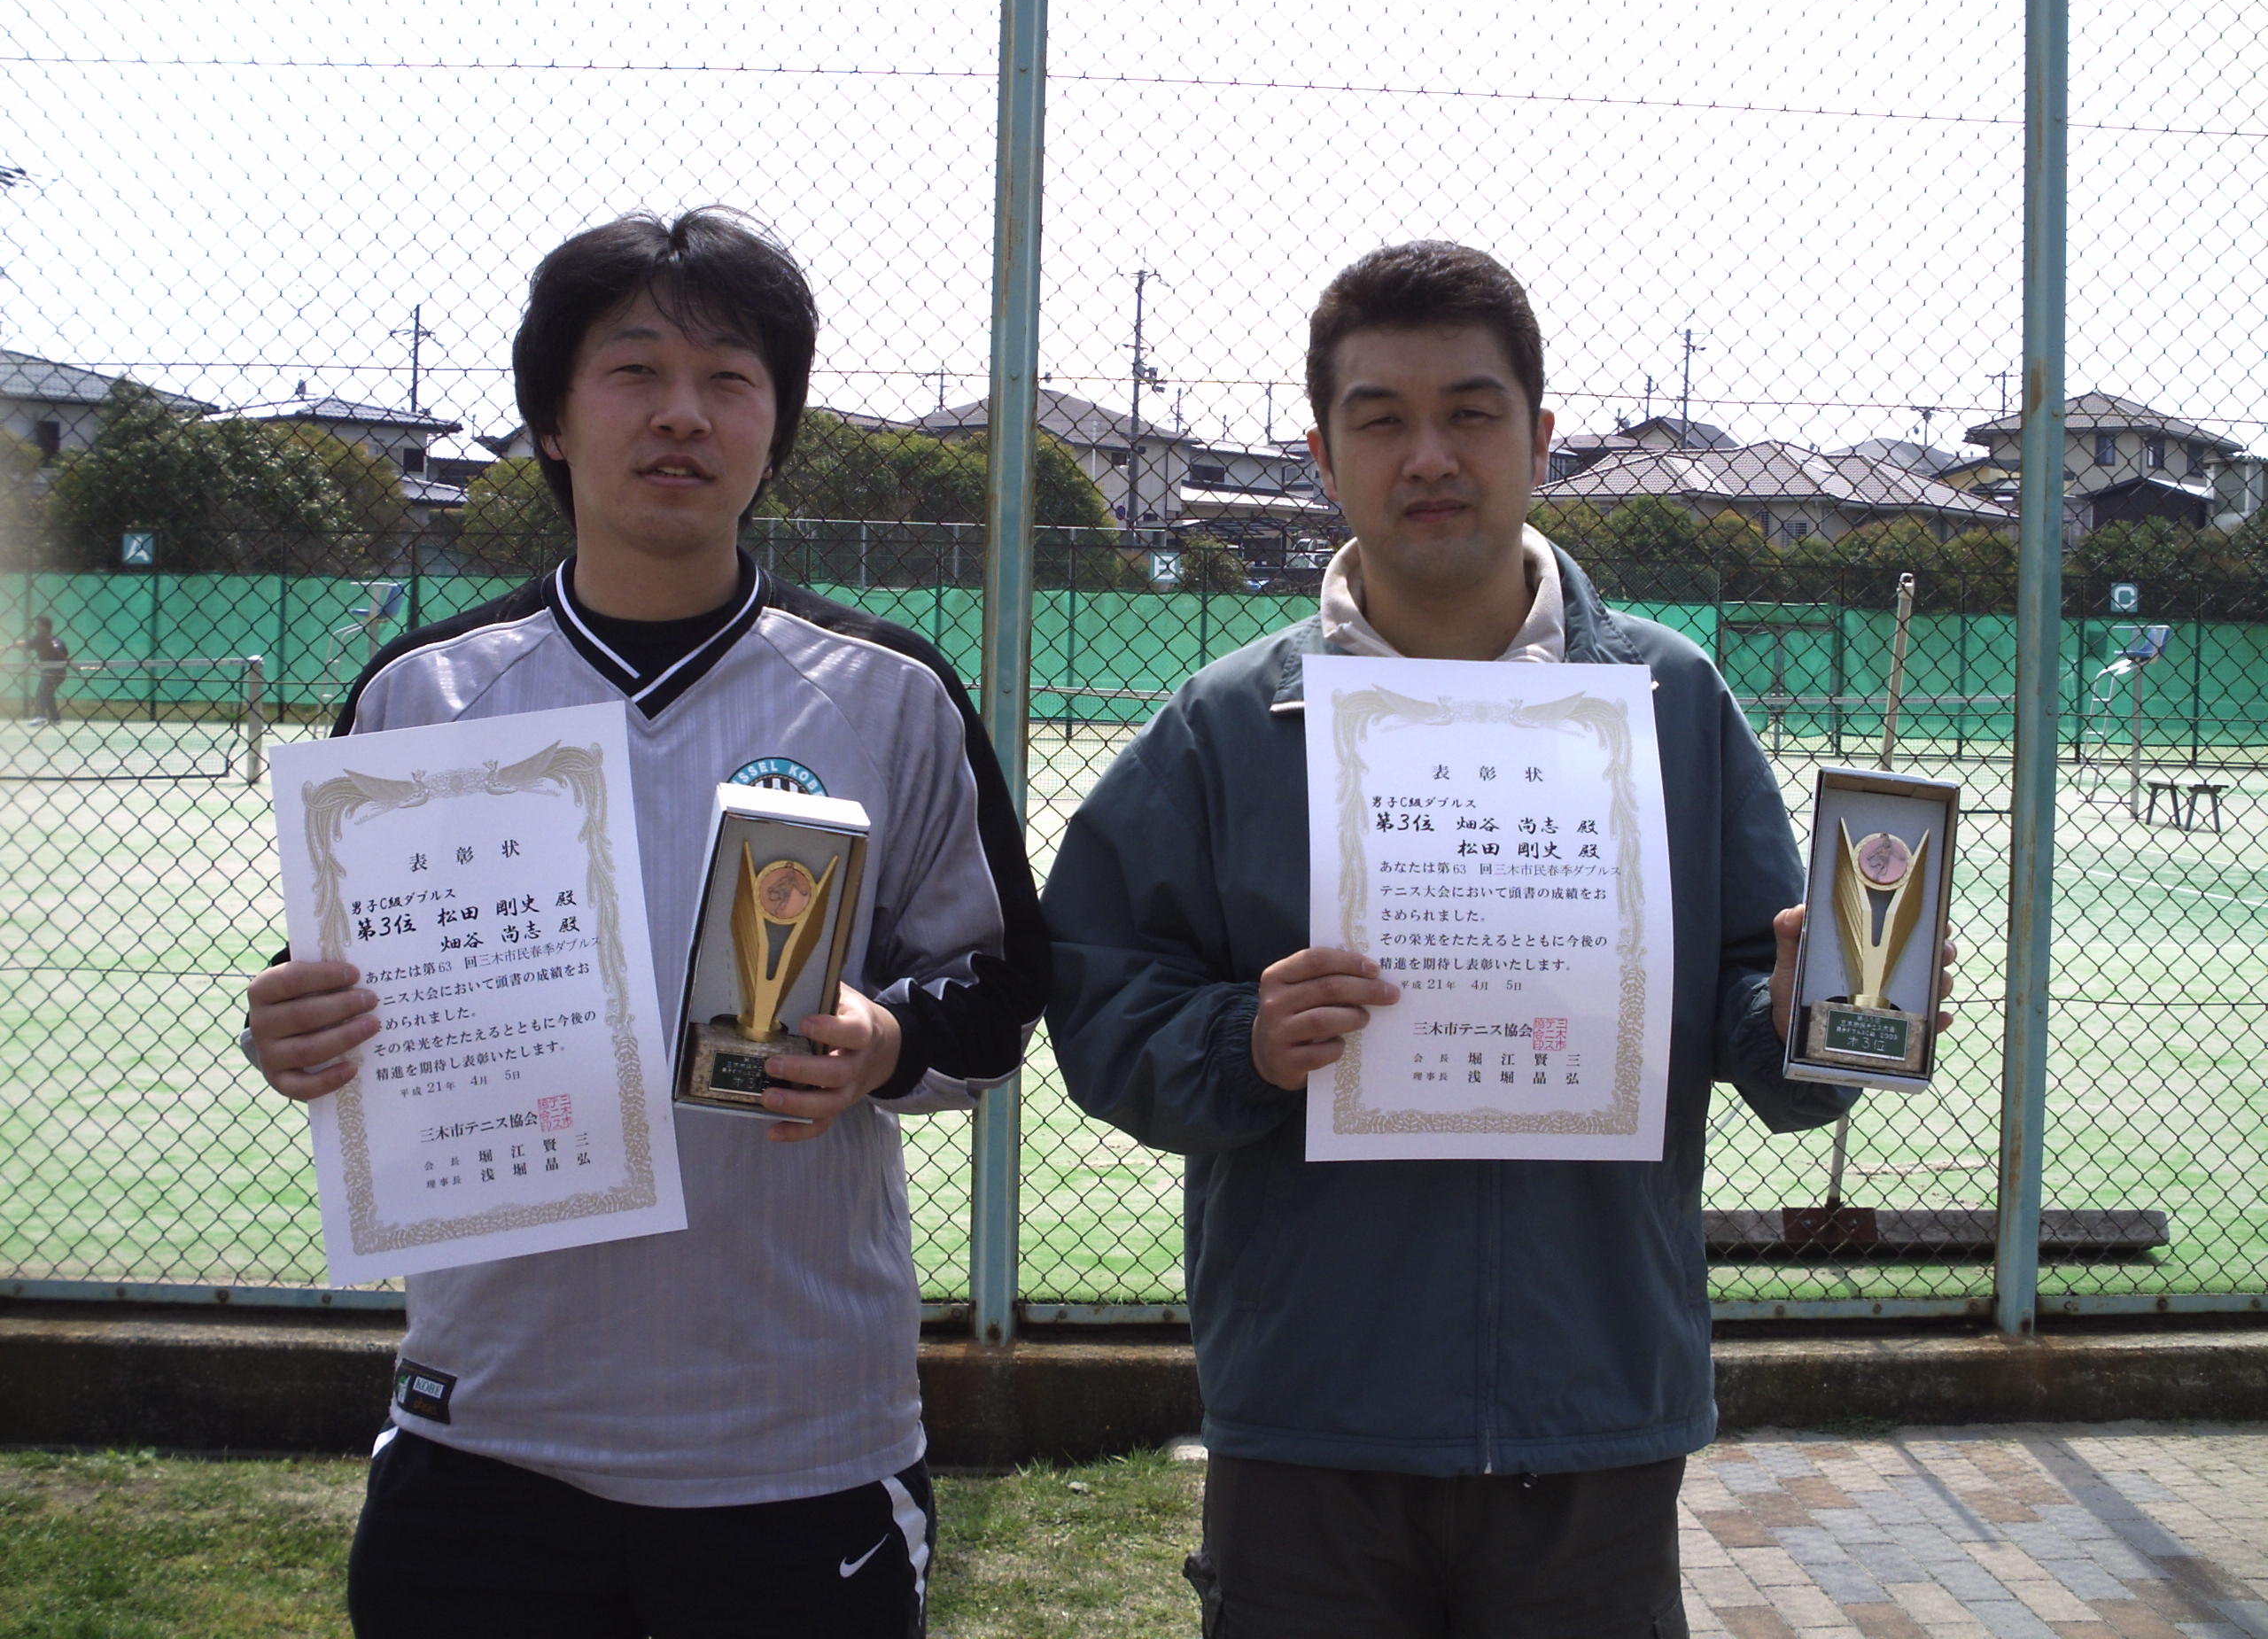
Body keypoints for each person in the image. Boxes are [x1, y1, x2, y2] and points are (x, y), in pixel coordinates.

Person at [1044, 241, 1950, 1639]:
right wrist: (1242, 1041)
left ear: (1540, 439)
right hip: (1313, 1409)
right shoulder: (1225, 726)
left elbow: (1746, 1000)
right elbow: (1100, 993)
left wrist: (1820, 1010)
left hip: (1590, 1399)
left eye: (1470, 413)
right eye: (1381, 419)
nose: (1430, 456)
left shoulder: (1672, 702)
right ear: (1321, 455)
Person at [245, 209, 1047, 1638]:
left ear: (775, 429)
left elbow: (999, 988)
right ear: (553, 419)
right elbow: (350, 988)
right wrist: (296, 1027)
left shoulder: (888, 693)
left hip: (800, 1439)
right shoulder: (423, 695)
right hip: (486, 1427)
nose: (682, 414)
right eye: (633, 371)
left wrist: (882, 1042)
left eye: (730, 378)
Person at [12, 614, 67, 725]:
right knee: (48, 692)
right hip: (61, 672)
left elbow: (24, 643)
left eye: (38, 625)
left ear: (44, 627)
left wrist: (8, 647)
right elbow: (66, 656)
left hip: (50, 671)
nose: (36, 627)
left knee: (42, 692)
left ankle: (40, 716)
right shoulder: (58, 640)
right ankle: (55, 718)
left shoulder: (41, 638)